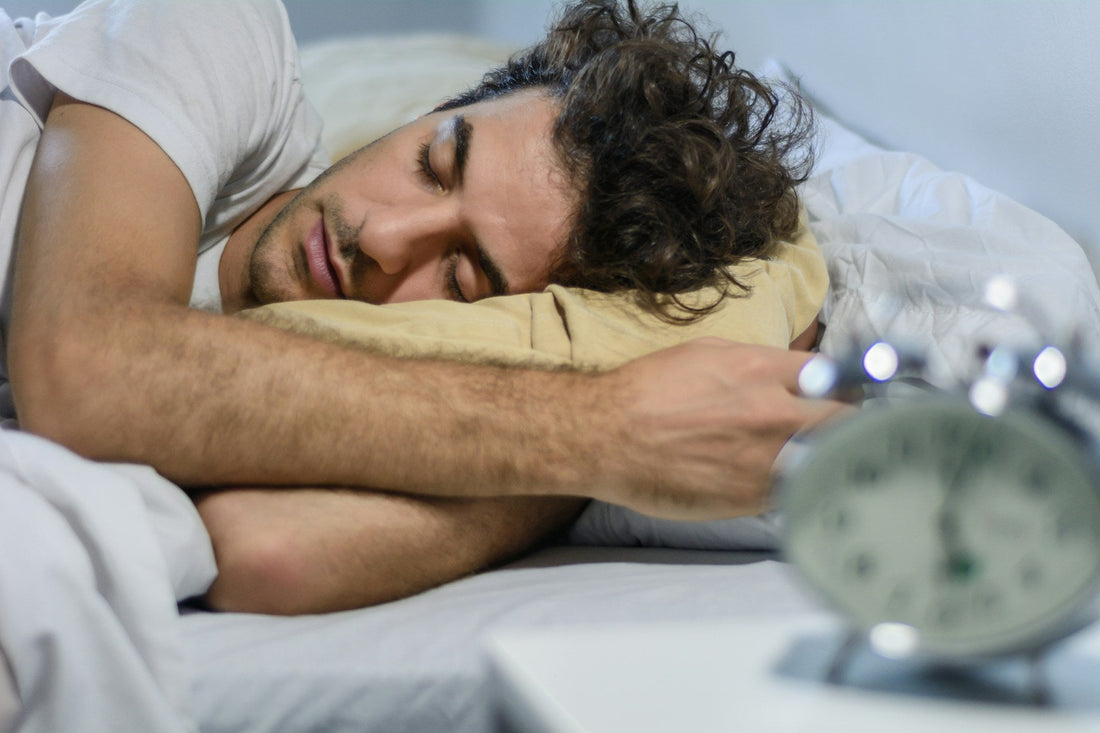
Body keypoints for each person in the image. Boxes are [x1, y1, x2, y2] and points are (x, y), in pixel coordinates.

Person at [1, 0, 844, 615]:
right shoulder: (220, 31)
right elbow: (84, 362)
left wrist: (583, 463)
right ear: (427, 112)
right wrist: (605, 431)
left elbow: (269, 552)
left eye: (463, 277)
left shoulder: (347, 394)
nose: (386, 236)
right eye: (434, 163)